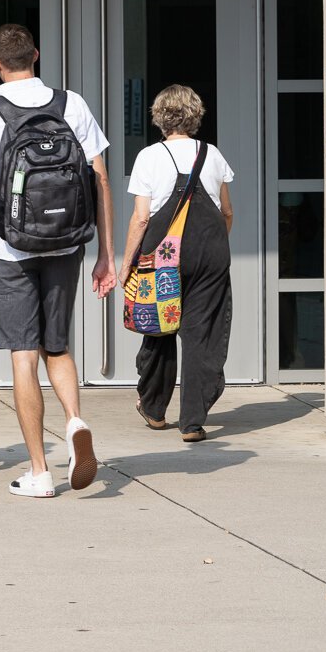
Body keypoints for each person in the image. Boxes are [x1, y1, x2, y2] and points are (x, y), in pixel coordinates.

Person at [0, 24, 115, 498]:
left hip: (12, 251)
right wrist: (106, 253)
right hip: (67, 246)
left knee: (24, 355)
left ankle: (40, 472)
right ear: (36, 55)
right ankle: (76, 422)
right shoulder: (72, 105)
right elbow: (99, 180)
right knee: (57, 348)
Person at [121, 85, 236, 442]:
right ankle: (193, 421)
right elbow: (227, 212)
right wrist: (212, 248)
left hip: (163, 253)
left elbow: (141, 218)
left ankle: (155, 409)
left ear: (160, 117)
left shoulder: (149, 156)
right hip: (210, 248)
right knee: (203, 331)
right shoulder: (212, 154)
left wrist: (126, 264)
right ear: (195, 115)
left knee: (159, 322)